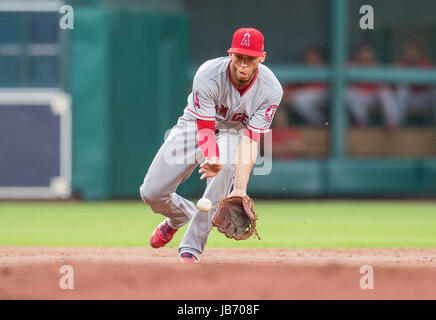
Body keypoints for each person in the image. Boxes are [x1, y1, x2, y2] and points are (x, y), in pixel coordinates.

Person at [139, 28, 283, 263]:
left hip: (234, 135)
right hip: (194, 126)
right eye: (239, 57)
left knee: (227, 168)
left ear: (262, 57)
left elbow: (250, 141)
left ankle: (190, 250)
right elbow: (205, 126)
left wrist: (240, 189)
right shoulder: (208, 74)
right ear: (230, 54)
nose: (243, 64)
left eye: (250, 58)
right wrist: (211, 155)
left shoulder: (271, 89)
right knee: (151, 192)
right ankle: (178, 217)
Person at [346, 43, 399, 129]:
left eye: (368, 53)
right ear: (358, 55)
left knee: (385, 91)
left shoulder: (376, 66)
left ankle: (392, 122)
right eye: (362, 53)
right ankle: (362, 121)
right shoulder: (351, 65)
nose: (365, 56)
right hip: (359, 97)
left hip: (374, 98)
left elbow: (386, 84)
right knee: (349, 92)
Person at [286, 45, 329, 126]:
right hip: (309, 99)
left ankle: (322, 124)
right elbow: (289, 89)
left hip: (327, 95)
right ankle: (321, 124)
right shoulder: (302, 70)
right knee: (299, 98)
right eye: (307, 57)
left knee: (301, 98)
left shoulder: (326, 69)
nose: (310, 60)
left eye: (313, 56)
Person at [395, 40, 436, 124]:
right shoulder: (400, 63)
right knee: (402, 91)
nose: (411, 54)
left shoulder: (426, 63)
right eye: (409, 50)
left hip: (425, 98)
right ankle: (399, 124)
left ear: (419, 53)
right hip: (409, 99)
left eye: (414, 51)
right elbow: (393, 84)